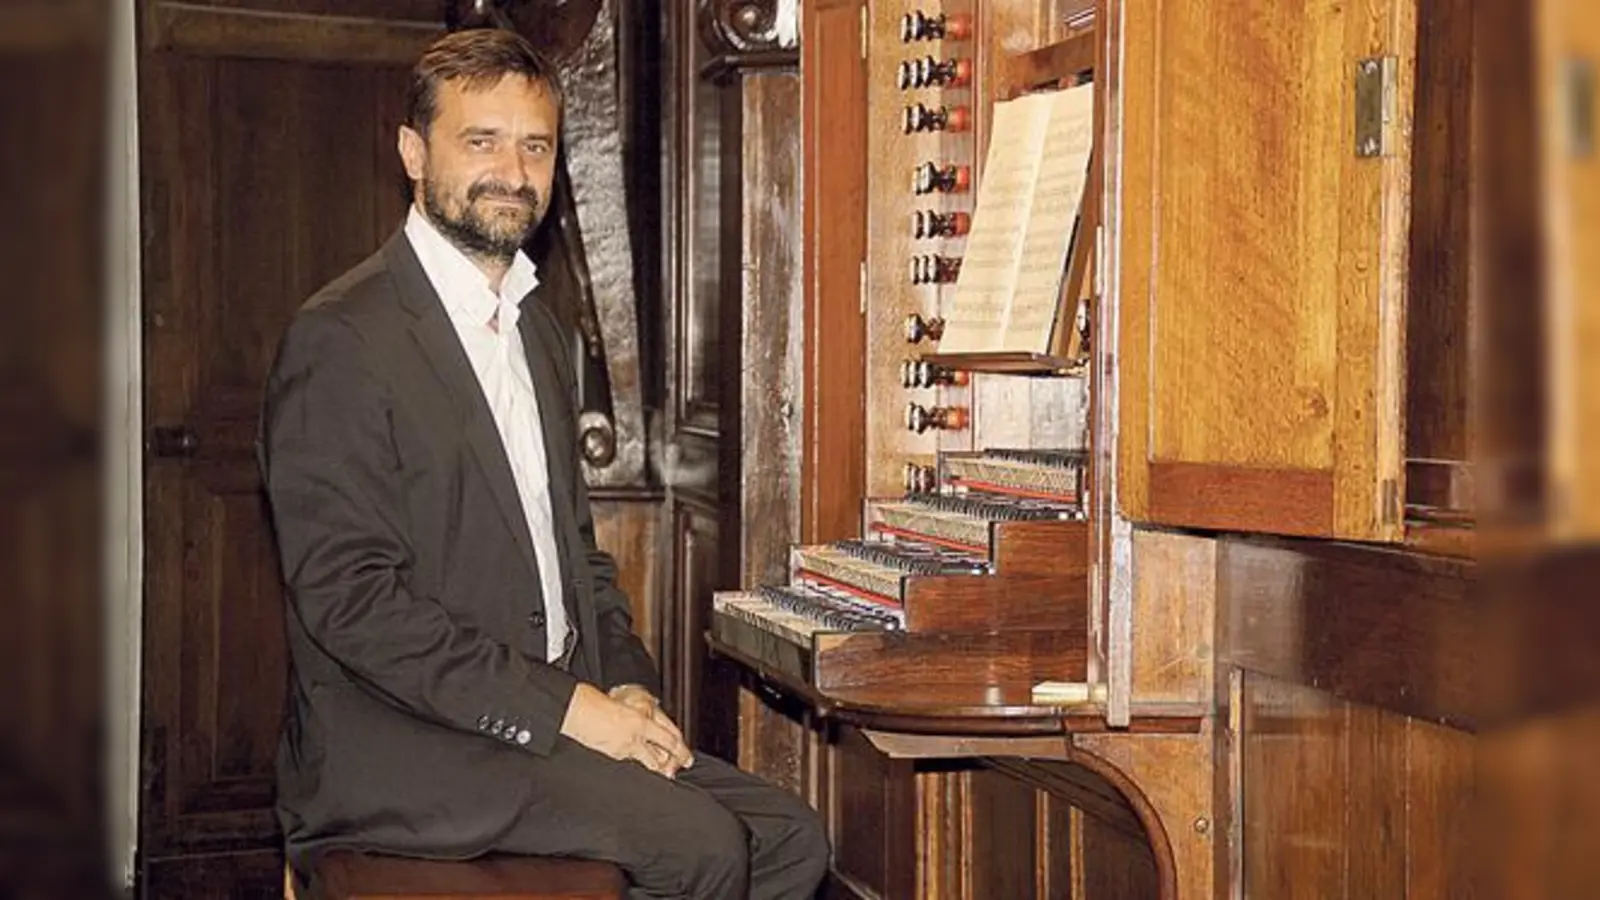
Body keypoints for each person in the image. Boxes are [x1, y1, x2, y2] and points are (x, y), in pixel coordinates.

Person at [259, 27, 830, 900]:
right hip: (405, 747)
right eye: (479, 141)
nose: (513, 171)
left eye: (536, 145)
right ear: (413, 152)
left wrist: (629, 689)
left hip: (542, 720)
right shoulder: (341, 338)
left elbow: (579, 556)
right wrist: (570, 711)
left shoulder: (538, 330)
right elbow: (353, 605)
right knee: (702, 846)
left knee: (791, 838)